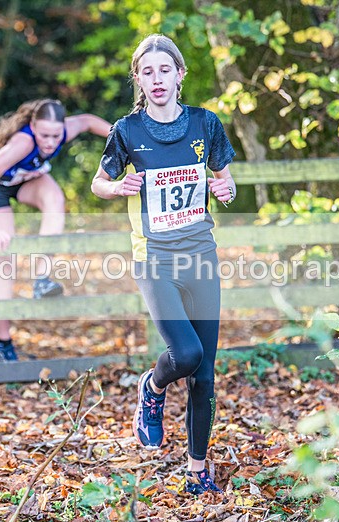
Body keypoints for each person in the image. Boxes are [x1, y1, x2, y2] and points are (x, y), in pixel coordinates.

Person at [91, 35, 237, 495]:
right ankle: (152, 388)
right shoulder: (128, 130)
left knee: (205, 375)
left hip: (202, 257)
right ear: (138, 79)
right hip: (155, 260)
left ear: (179, 75)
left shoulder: (205, 124)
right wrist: (116, 189)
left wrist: (225, 189)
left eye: (164, 70)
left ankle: (197, 469)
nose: (157, 79)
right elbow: (99, 181)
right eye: (147, 72)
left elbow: (224, 175)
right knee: (187, 356)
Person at [0, 99, 111, 362]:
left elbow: (90, 121)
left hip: (26, 178)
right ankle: (3, 342)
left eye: (55, 136)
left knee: (55, 198)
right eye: (44, 135)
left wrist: (126, 138)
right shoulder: (22, 143)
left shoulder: (64, 130)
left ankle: (42, 277)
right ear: (33, 127)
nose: (49, 142)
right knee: (6, 259)